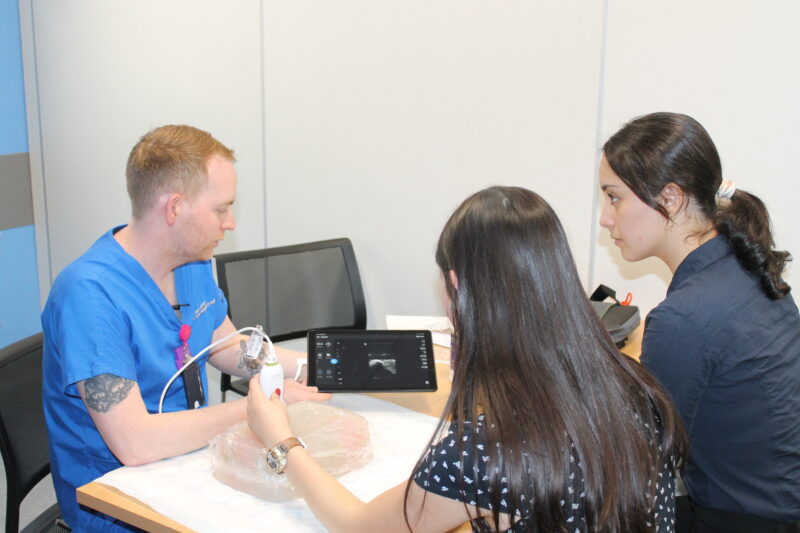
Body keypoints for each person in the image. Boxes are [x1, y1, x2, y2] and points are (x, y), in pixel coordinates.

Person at [247, 186, 686, 532]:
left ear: (455, 285)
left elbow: (360, 526)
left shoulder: (488, 453)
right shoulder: (637, 390)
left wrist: (282, 442)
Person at [41, 125, 330, 532]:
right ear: (174, 208)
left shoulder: (192, 262)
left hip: (186, 461)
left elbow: (227, 347)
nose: (229, 223)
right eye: (220, 208)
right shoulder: (89, 296)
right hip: (116, 502)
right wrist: (259, 409)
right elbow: (137, 444)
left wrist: (316, 364)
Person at [599, 112, 800, 532]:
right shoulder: (745, 265)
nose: (605, 217)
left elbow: (635, 453)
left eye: (613, 197)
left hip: (745, 518)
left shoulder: (685, 317)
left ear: (670, 199)